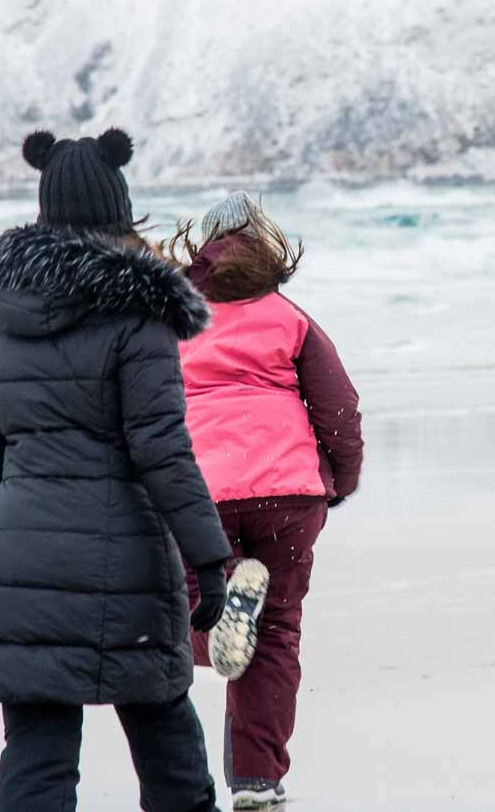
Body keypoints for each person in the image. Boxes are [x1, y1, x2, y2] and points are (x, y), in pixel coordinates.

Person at [0, 128, 232, 811]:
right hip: (126, 563)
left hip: (16, 559)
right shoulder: (138, 321)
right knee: (165, 735)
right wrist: (211, 557)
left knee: (37, 754)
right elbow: (161, 449)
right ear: (120, 211)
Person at [164, 192, 365, 810]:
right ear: (266, 242)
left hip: (202, 492)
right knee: (275, 629)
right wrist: (340, 478)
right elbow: (337, 407)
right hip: (289, 491)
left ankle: (218, 624)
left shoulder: (171, 316)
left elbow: (144, 404)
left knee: (194, 608)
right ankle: (257, 782)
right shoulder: (289, 316)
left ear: (201, 248)